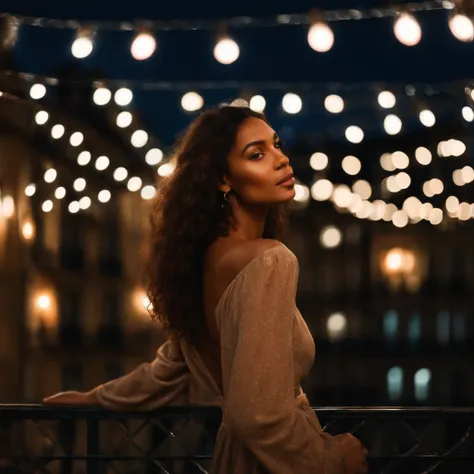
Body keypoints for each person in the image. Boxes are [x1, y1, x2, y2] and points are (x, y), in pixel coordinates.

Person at [44, 104, 368, 474]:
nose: (281, 159)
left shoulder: (204, 262)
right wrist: (332, 461)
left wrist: (95, 399)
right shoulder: (269, 260)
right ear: (222, 179)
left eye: (276, 146)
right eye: (257, 154)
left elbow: (167, 370)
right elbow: (257, 415)